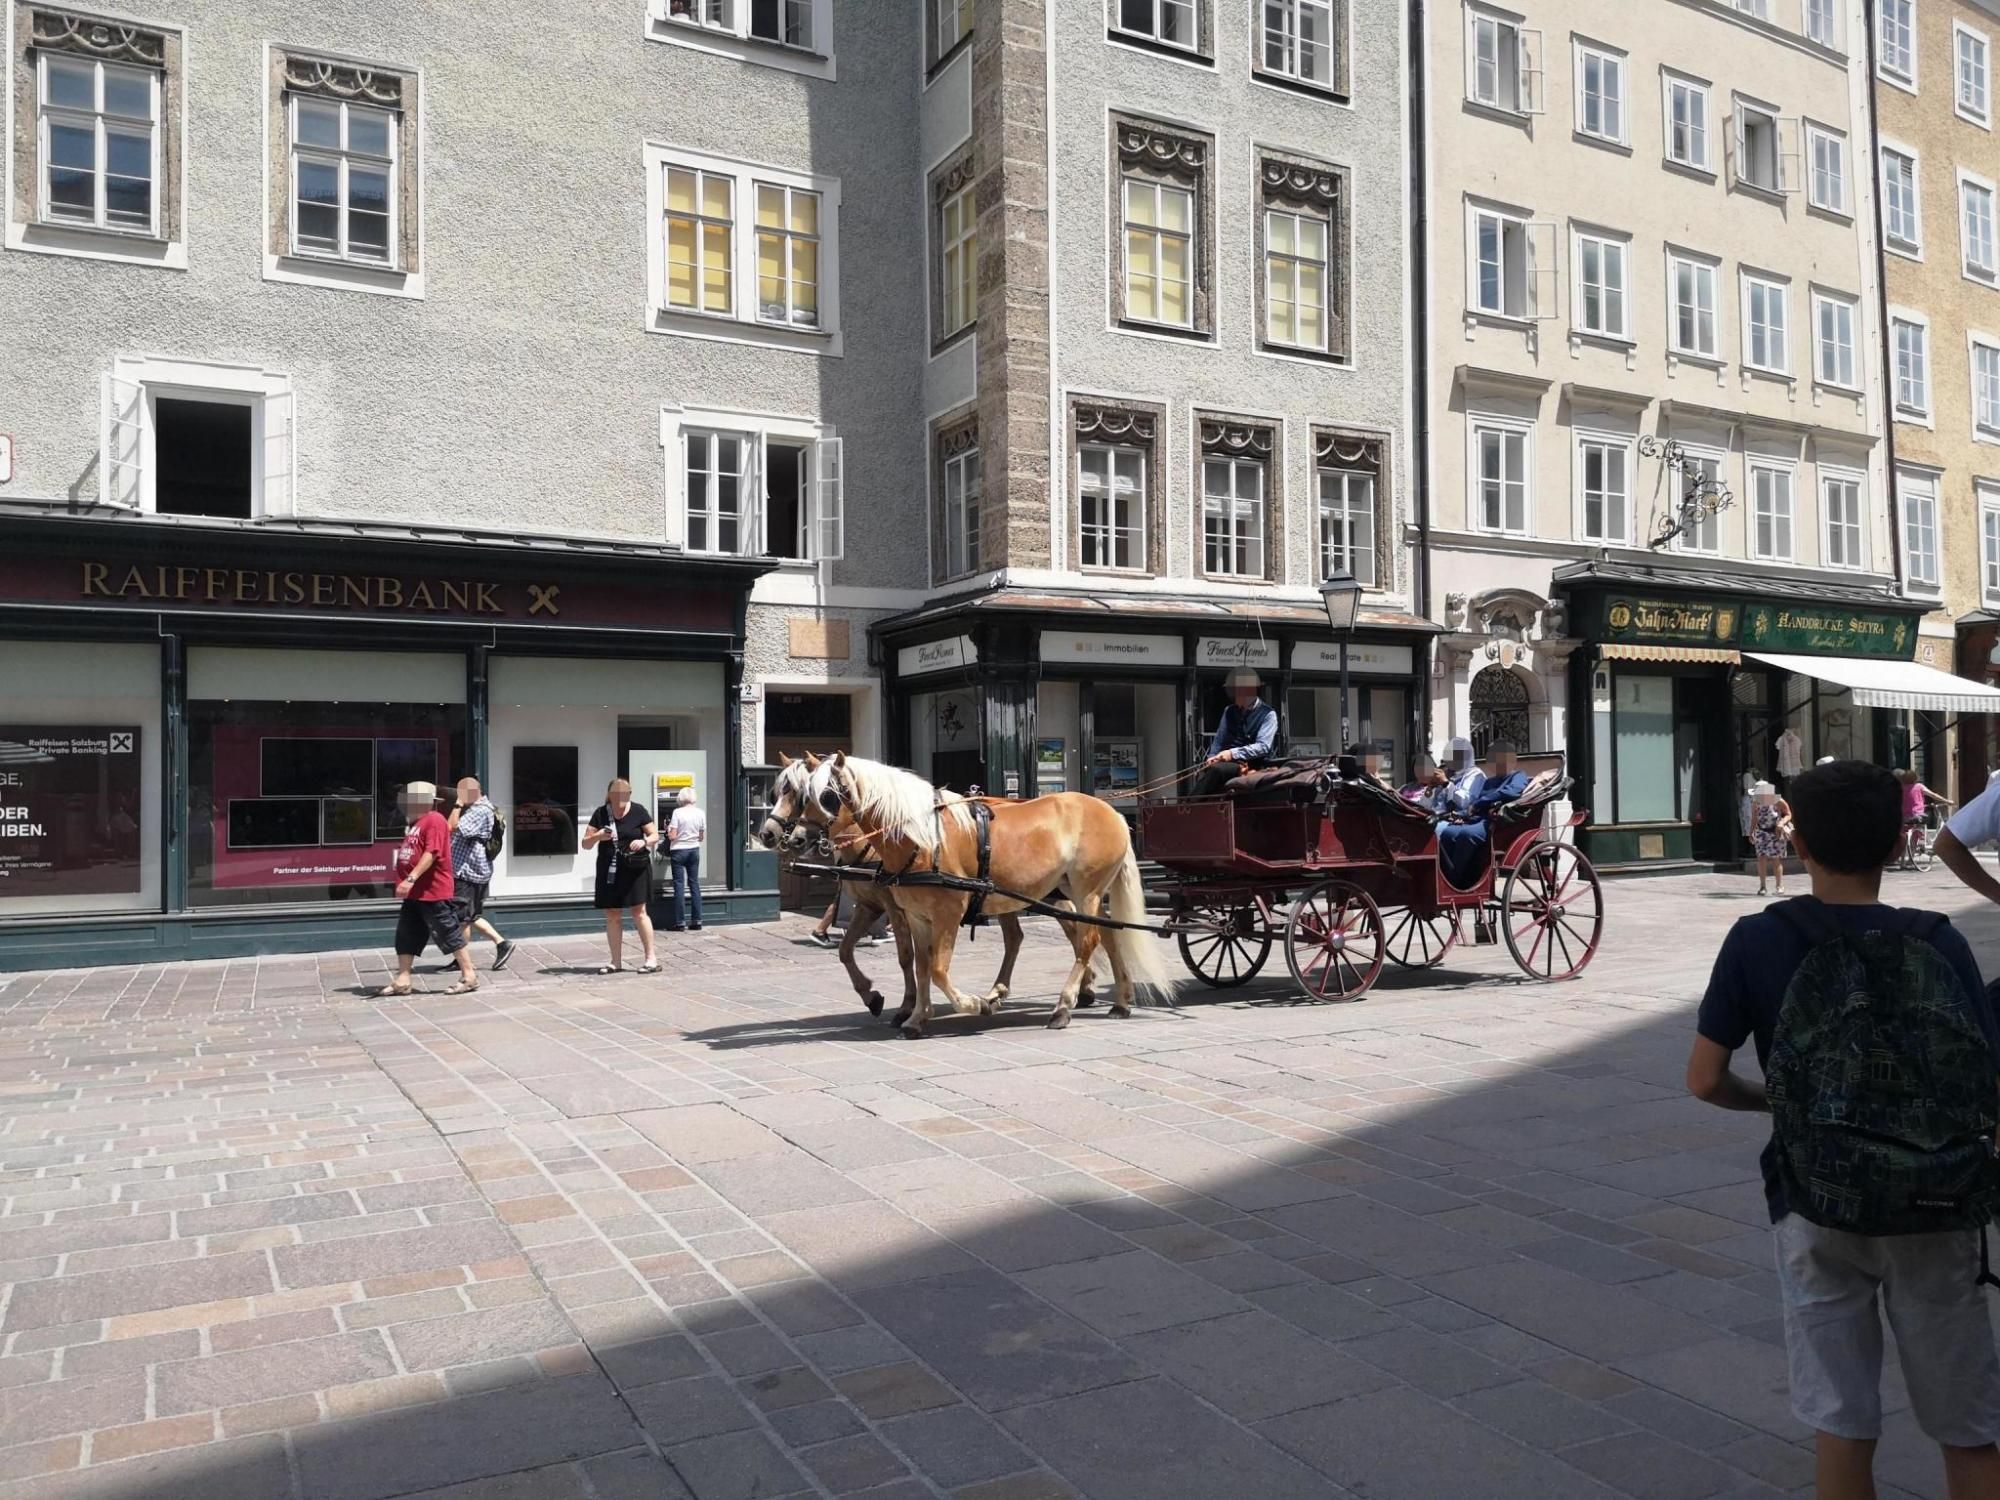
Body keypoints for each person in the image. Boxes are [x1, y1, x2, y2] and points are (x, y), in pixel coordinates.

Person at [1686, 761, 2000, 1500]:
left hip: (1813, 1195)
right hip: (1934, 1203)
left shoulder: (1756, 940)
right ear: (1898, 843)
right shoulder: (1940, 941)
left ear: (1797, 840)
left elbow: (1703, 1079)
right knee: (1969, 1423)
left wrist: (1786, 1104)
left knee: (1843, 1420)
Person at [380, 782, 478, 997]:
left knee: (447, 931)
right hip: (416, 892)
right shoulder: (417, 823)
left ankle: (469, 976)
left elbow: (431, 853)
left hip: (432, 890)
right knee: (406, 934)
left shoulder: (434, 820)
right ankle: (403, 979)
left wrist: (411, 878)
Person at [584, 778, 659, 974]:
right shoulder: (601, 813)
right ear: (610, 795)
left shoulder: (638, 811)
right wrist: (598, 836)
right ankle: (615, 961)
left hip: (635, 868)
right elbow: (585, 843)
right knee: (612, 914)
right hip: (610, 869)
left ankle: (651, 959)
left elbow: (655, 835)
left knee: (639, 912)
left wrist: (644, 842)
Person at [1436, 740, 1528, 893]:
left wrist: (1483, 802)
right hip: (1478, 818)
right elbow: (1474, 804)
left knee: (1467, 834)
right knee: (1448, 833)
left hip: (1497, 821)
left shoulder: (1518, 776)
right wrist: (1462, 815)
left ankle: (1454, 880)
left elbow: (1511, 792)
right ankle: (1452, 876)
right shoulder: (1489, 781)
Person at [447, 776, 515, 971]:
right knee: (470, 915)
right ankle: (501, 944)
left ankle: (464, 960)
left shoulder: (479, 811)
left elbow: (451, 826)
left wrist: (458, 805)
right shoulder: (484, 808)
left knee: (463, 918)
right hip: (474, 871)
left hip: (468, 872)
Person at [1191, 667, 1278, 797]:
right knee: (1209, 770)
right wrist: (1211, 758)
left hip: (1254, 765)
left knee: (1217, 770)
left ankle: (1190, 806)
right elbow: (1219, 740)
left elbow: (1263, 747)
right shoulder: (1229, 711)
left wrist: (1232, 753)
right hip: (1229, 765)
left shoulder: (1268, 714)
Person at [664, 786, 706, 932]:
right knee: (694, 884)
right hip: (694, 850)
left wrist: (668, 830)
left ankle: (680, 922)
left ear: (681, 798)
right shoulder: (700, 813)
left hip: (678, 851)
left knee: (679, 886)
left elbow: (673, 836)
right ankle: (697, 921)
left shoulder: (677, 812)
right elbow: (701, 837)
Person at [1895, 768, 1952, 866]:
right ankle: (1920, 845)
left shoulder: (1901, 788)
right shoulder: (1919, 786)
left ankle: (1902, 861)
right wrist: (1947, 801)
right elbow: (1933, 795)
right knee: (1918, 829)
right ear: (1915, 778)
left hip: (1904, 817)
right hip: (1917, 815)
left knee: (1904, 836)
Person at [1750, 780, 1793, 896]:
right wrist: (1751, 831)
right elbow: (1754, 817)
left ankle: (1779, 886)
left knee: (1776, 859)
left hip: (1775, 832)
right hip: (1761, 832)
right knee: (1761, 858)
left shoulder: (1777, 800)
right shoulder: (1755, 802)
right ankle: (1762, 886)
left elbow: (1788, 813)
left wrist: (1782, 822)